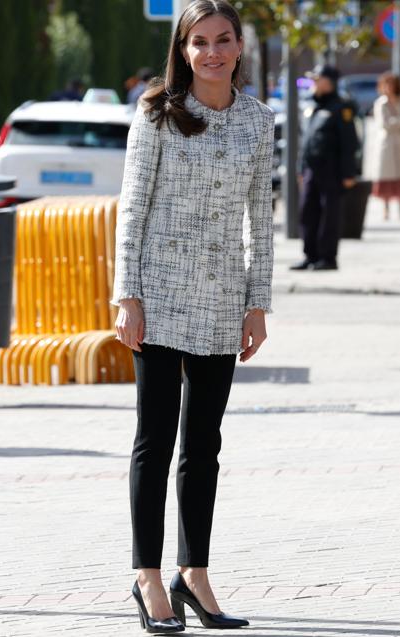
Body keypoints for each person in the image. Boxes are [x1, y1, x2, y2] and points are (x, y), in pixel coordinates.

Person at [111, 0, 275, 633]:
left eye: (222, 40)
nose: (211, 51)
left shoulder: (259, 121)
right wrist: (127, 295)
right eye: (198, 42)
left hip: (222, 296)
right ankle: (147, 576)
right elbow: (132, 210)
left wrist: (257, 302)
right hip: (156, 293)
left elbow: (261, 219)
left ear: (239, 47)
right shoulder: (155, 114)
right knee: (155, 440)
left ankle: (195, 573)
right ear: (182, 51)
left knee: (203, 445)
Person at [290, 64, 359, 271]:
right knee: (307, 212)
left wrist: (349, 173)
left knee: (330, 215)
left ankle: (328, 258)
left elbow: (350, 143)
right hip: (311, 170)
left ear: (328, 82)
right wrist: (301, 168)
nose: (313, 83)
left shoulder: (341, 108)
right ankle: (310, 256)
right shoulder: (312, 106)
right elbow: (307, 141)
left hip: (332, 170)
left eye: (317, 79)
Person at [370, 72, 400, 221]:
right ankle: (386, 209)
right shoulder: (381, 103)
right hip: (387, 144)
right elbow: (385, 124)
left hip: (398, 143)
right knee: (387, 177)